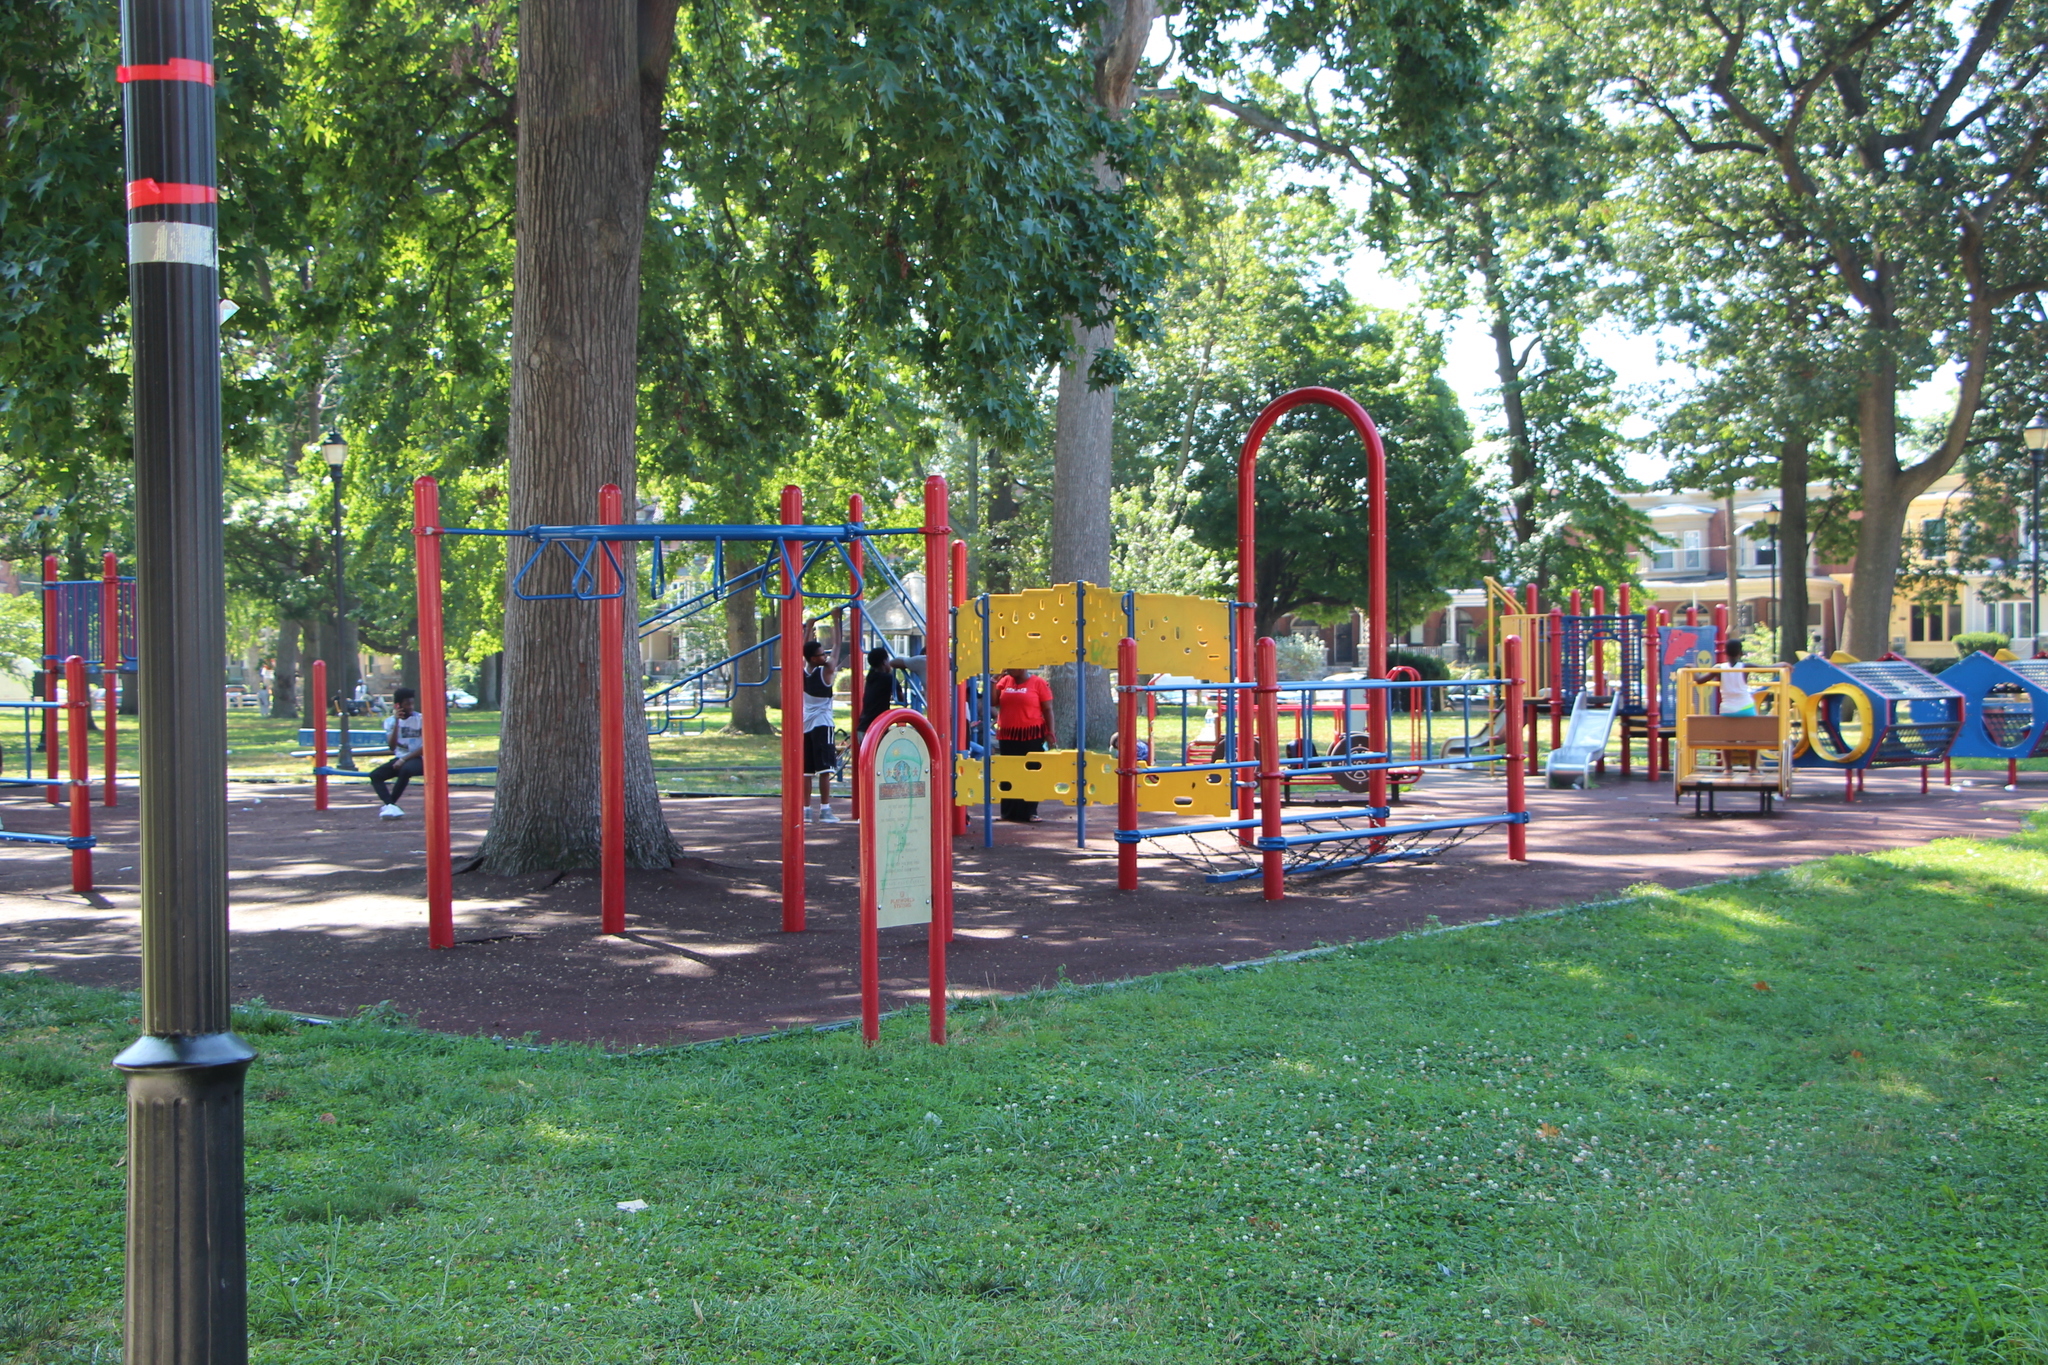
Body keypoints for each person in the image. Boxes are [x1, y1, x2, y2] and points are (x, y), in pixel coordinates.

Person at [994, 666, 1055, 822]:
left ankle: (1030, 811)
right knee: (1008, 773)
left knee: (1031, 772)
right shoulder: (1004, 681)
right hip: (1008, 735)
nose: (1008, 669)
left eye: (1012, 666)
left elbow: (1048, 709)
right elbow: (993, 701)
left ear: (1023, 666)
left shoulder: (1038, 683)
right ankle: (1008, 813)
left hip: (1031, 734)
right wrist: (993, 681)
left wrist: (1050, 733)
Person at [800, 639, 841, 823]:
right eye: (821, 654)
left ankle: (806, 810)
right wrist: (836, 623)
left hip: (805, 725)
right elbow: (837, 649)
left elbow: (800, 650)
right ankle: (825, 809)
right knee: (825, 769)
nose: (825, 656)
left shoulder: (802, 670)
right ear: (813, 658)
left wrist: (808, 628)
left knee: (807, 771)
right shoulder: (826, 672)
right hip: (822, 724)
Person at [369, 687, 424, 819]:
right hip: (400, 758)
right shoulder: (390, 722)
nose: (411, 707)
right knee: (375, 775)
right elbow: (392, 746)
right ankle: (391, 805)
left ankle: (390, 805)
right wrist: (397, 722)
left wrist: (404, 760)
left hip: (418, 758)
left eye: (412, 703)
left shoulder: (421, 719)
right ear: (398, 705)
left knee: (405, 770)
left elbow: (426, 747)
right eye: (407, 704)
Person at [855, 645, 898, 751]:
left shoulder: (871, 677)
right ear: (884, 662)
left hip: (863, 727)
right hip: (876, 729)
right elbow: (901, 697)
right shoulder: (888, 678)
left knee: (870, 762)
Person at [1718, 639, 1758, 716]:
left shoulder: (1718, 668)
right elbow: (1767, 668)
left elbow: (1699, 680)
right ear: (1741, 653)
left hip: (1727, 710)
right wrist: (1781, 664)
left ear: (1724, 652)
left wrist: (1691, 668)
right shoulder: (1746, 667)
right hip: (1746, 708)